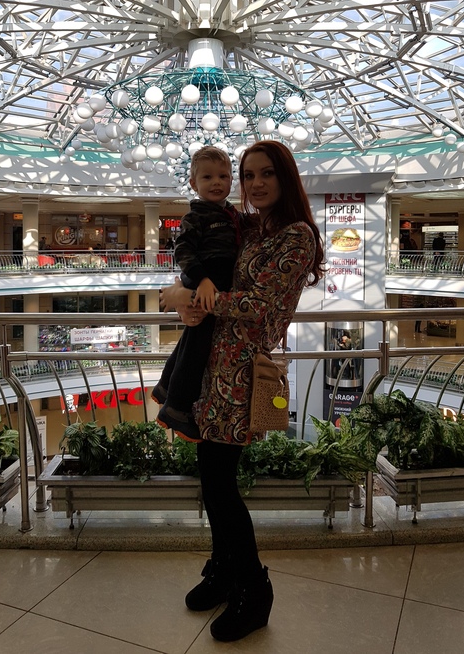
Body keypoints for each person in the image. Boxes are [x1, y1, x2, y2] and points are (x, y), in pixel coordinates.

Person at [160, 140, 324, 643]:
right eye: (248, 175)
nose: (255, 184)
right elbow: (204, 257)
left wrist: (190, 295)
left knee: (221, 485)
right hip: (211, 368)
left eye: (265, 174)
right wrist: (189, 296)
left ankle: (254, 589)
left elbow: (262, 307)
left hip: (241, 376)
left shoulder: (296, 237)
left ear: (285, 177)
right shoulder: (250, 227)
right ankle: (223, 570)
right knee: (211, 478)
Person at [154, 146, 240, 441]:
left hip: (215, 280)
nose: (216, 182)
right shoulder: (197, 215)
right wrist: (201, 280)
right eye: (207, 177)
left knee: (193, 338)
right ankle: (176, 407)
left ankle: (166, 386)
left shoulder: (231, 213)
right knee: (198, 347)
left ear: (231, 180)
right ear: (193, 183)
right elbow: (183, 251)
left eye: (223, 176)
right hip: (206, 277)